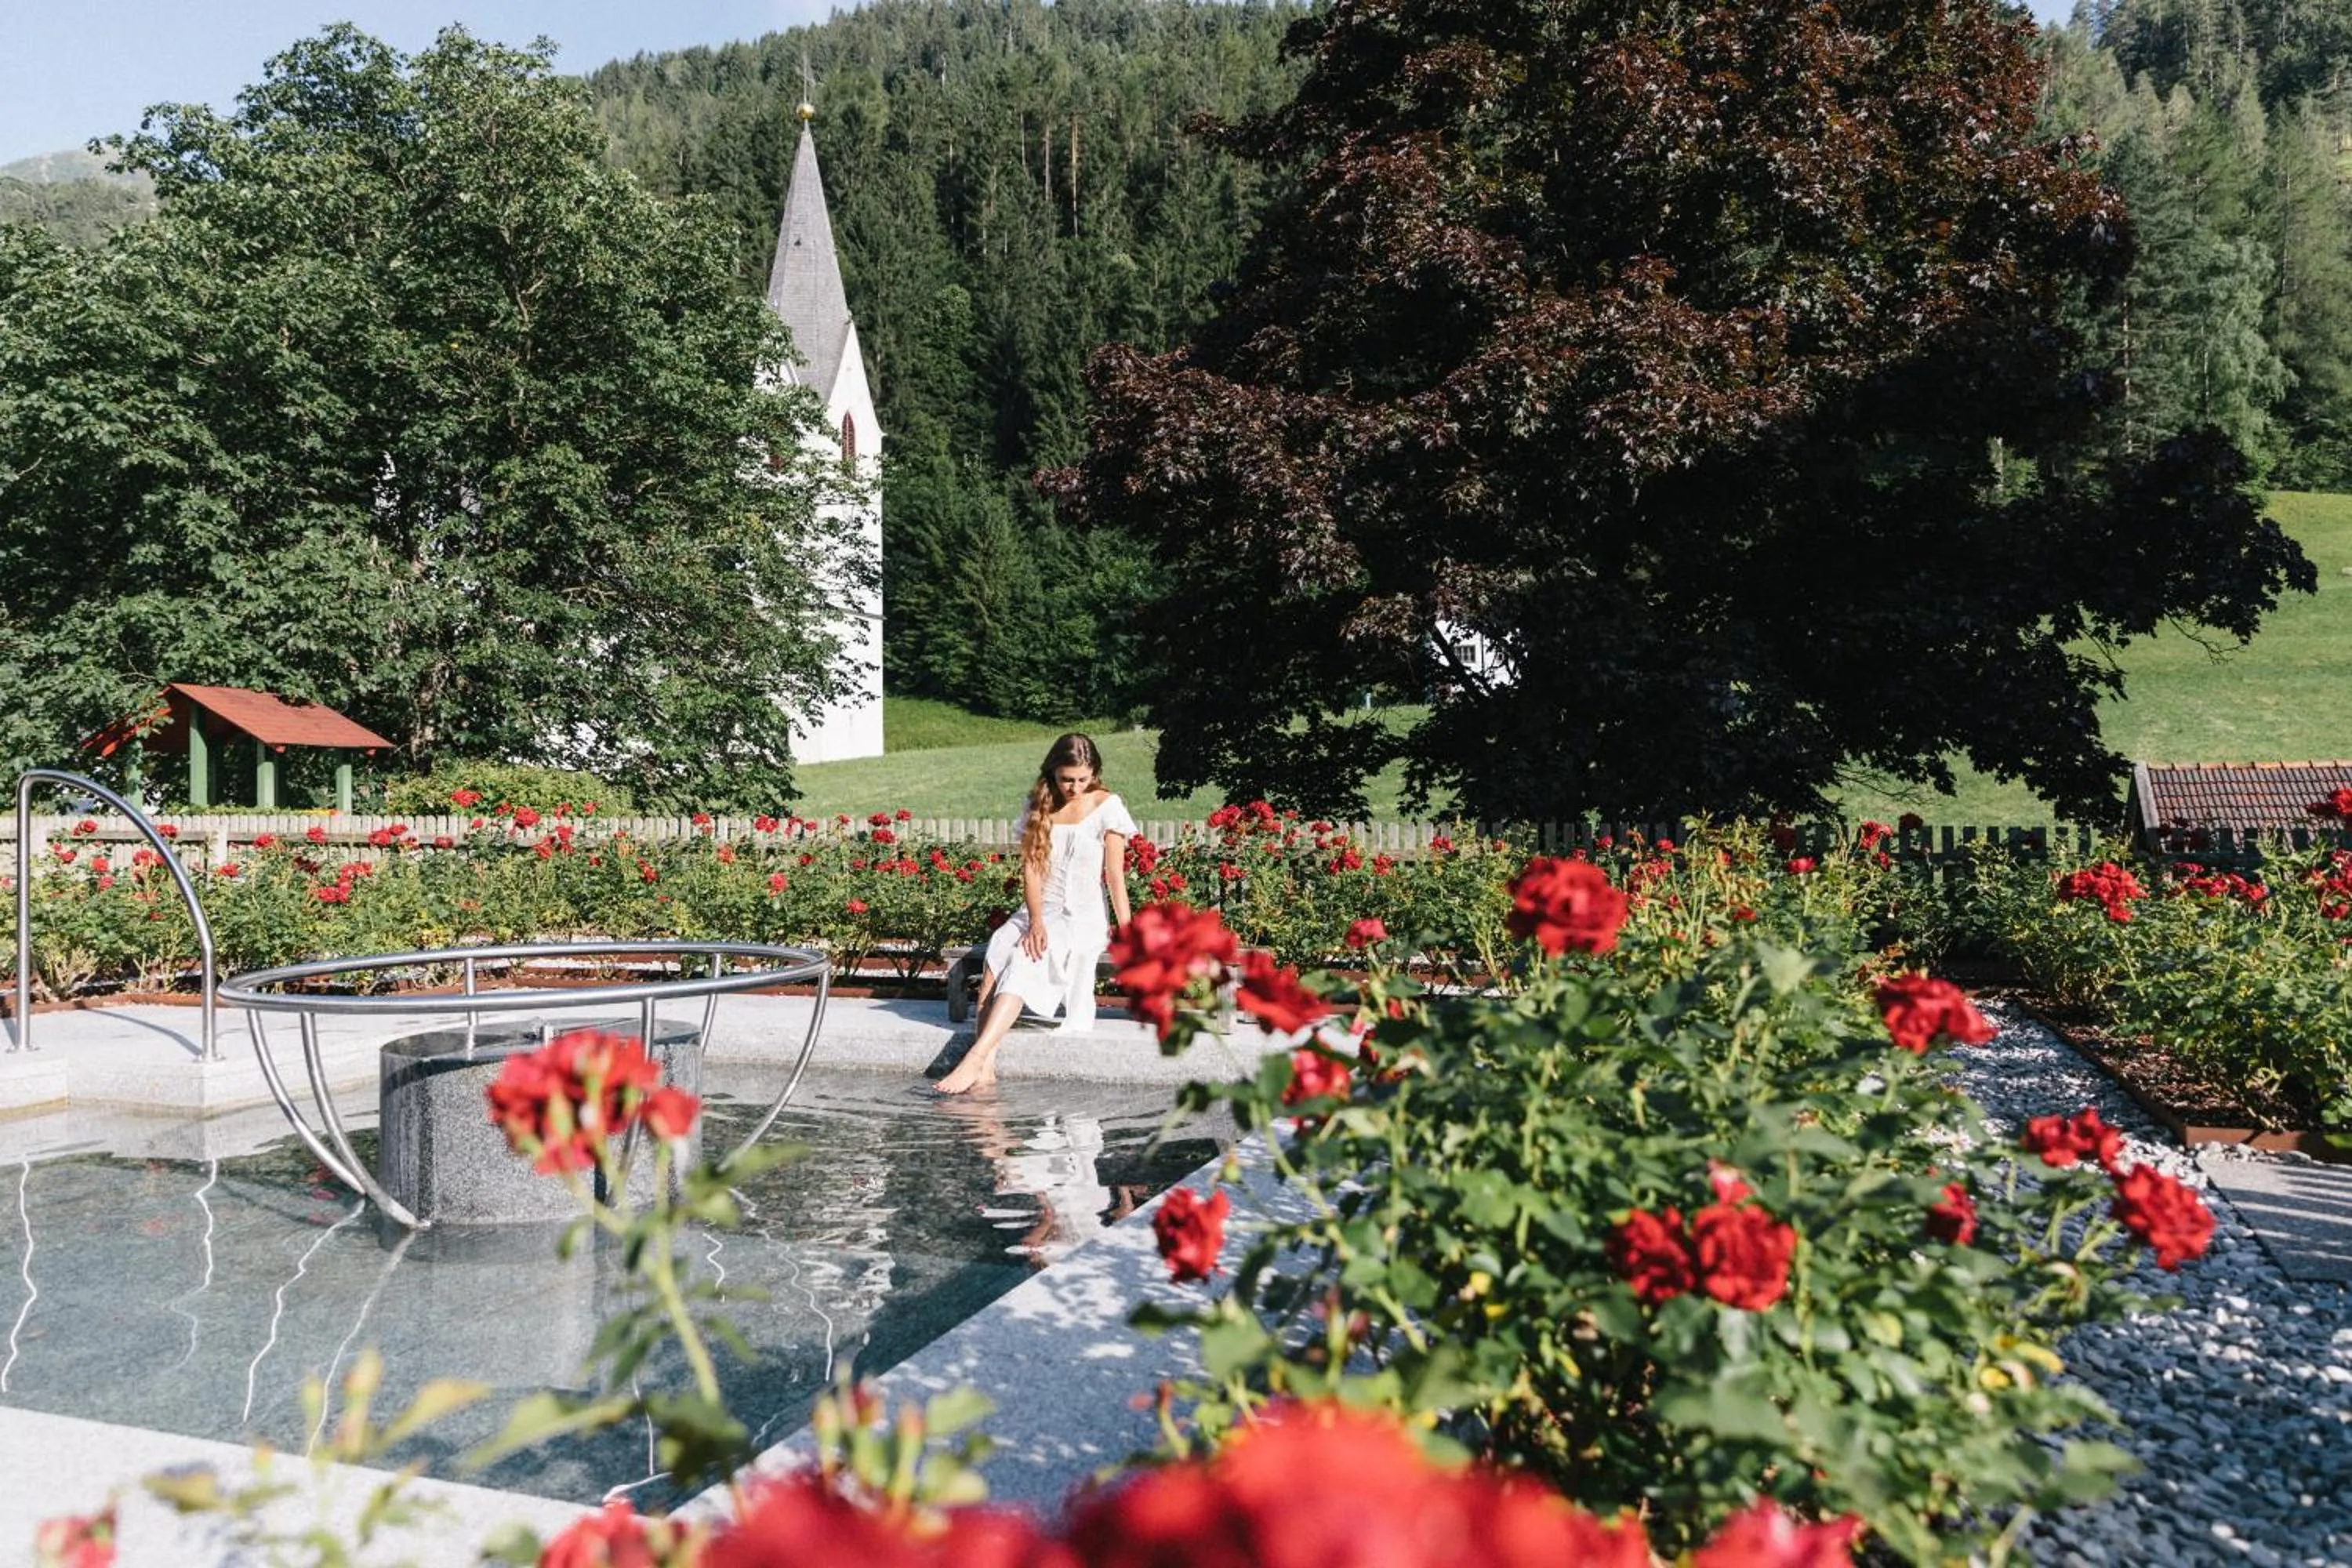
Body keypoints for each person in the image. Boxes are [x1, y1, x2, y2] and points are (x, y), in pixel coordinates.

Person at [931, 733, 1134, 1094]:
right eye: (1066, 779)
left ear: (1094, 774)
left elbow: (1115, 876)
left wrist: (1128, 929)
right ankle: (987, 1069)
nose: (1074, 787)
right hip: (1039, 909)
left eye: (1082, 779)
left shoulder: (1108, 807)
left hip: (1080, 915)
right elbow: (1031, 871)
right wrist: (1036, 921)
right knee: (998, 953)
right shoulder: (1038, 806)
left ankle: (975, 1058)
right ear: (1052, 773)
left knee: (1026, 957)